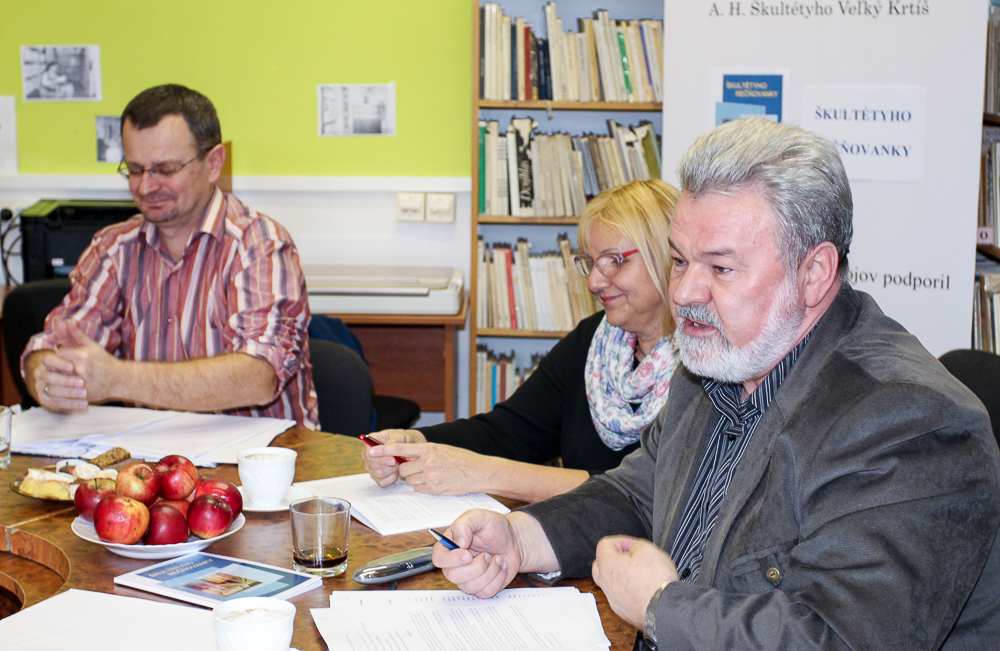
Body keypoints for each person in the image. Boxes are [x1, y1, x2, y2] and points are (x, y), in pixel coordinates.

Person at [432, 118, 1000, 650]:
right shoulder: (718, 361)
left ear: (814, 273)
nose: (683, 293)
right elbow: (639, 492)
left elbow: (836, 637)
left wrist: (661, 606)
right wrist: (523, 539)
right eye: (680, 261)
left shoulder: (910, 419)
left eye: (721, 268)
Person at [362, 180, 679, 502]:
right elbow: (510, 431)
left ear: (667, 257)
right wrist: (413, 442)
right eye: (591, 263)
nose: (594, 282)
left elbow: (647, 491)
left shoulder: (699, 372)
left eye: (614, 261)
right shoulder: (595, 341)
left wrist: (487, 473)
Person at [22, 84, 319, 428]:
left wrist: (118, 378)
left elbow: (259, 376)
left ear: (213, 164)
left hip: (259, 455)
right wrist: (47, 376)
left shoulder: (260, 245)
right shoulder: (113, 247)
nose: (146, 187)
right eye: (135, 170)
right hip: (149, 451)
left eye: (165, 169)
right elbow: (46, 349)